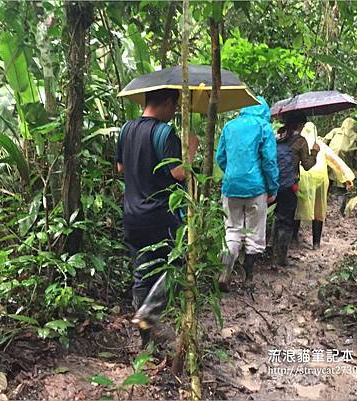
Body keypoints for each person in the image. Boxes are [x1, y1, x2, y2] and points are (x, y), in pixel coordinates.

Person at [116, 88, 199, 346]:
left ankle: (145, 340)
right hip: (160, 215)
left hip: (131, 214)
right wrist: (192, 148)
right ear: (165, 102)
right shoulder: (164, 132)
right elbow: (178, 173)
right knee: (178, 264)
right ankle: (149, 313)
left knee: (142, 273)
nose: (175, 111)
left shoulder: (126, 129)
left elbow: (121, 167)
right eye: (175, 106)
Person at [216, 96, 279, 291]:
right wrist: (273, 188)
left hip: (230, 187)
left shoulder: (229, 126)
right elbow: (269, 161)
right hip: (256, 188)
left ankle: (224, 272)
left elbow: (221, 157)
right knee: (255, 233)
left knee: (232, 230)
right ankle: (248, 278)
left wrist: (233, 175)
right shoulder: (263, 128)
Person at [295, 122, 354, 250]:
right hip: (320, 180)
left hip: (302, 179)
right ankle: (316, 243)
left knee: (297, 208)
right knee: (318, 211)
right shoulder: (320, 145)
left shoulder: (298, 142)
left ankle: (294, 239)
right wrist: (347, 178)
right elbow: (336, 161)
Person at [272, 112, 319, 266]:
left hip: (271, 183)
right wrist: (315, 152)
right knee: (286, 221)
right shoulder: (300, 141)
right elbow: (307, 165)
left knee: (275, 216)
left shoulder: (277, 136)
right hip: (288, 186)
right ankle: (281, 258)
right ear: (300, 124)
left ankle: (271, 251)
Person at [322, 117, 357, 215]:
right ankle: (340, 211)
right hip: (343, 165)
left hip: (330, 162)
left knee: (326, 185)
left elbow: (324, 142)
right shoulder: (355, 136)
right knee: (341, 188)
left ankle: (322, 209)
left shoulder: (335, 131)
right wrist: (356, 167)